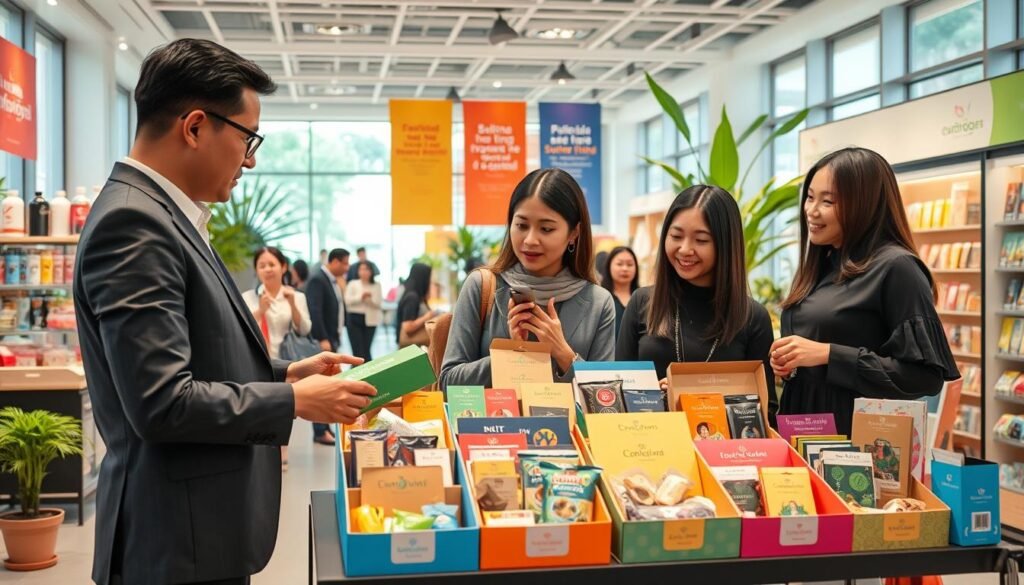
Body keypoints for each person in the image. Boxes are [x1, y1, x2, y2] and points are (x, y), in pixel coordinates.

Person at [73, 39, 376, 585]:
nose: (250, 159)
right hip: (174, 542)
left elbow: (199, 355)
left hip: (194, 533)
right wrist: (294, 401)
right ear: (195, 127)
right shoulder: (134, 225)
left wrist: (286, 373)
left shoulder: (167, 216)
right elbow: (161, 402)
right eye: (247, 138)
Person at [771, 147, 958, 436]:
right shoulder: (823, 262)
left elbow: (924, 377)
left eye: (828, 201)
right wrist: (789, 363)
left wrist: (829, 354)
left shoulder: (897, 268)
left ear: (865, 204)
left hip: (856, 442)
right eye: (809, 197)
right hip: (804, 429)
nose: (812, 210)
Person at [440, 168, 615, 389]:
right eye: (522, 225)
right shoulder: (482, 286)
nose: (530, 240)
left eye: (546, 229)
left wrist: (563, 353)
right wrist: (511, 354)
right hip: (492, 413)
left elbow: (605, 397)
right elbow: (449, 381)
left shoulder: (599, 302)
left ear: (574, 233)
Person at [615, 185, 776, 422]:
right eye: (676, 236)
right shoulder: (642, 303)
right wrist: (652, 399)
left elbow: (766, 412)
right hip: (648, 439)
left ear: (725, 244)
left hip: (720, 444)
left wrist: (701, 403)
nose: (685, 249)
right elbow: (617, 393)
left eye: (701, 240)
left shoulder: (752, 317)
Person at [305, 247, 350, 445]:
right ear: (335, 262)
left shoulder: (333, 280)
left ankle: (325, 426)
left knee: (329, 383)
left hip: (333, 338)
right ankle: (320, 430)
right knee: (321, 386)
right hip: (324, 341)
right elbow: (315, 311)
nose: (347, 267)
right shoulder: (318, 279)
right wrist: (323, 337)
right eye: (345, 263)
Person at [243, 246, 312, 358]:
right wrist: (260, 311)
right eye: (262, 266)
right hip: (257, 360)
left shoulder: (297, 296)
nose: (267, 269)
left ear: (283, 267)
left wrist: (293, 305)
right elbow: (241, 330)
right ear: (256, 270)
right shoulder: (247, 297)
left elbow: (304, 331)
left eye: (272, 265)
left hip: (289, 360)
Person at [345, 261, 383, 360]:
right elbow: (347, 301)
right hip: (354, 318)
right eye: (361, 269)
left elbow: (378, 303)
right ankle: (357, 368)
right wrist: (360, 297)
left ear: (371, 271)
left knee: (366, 350)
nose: (364, 272)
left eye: (366, 269)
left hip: (371, 320)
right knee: (358, 351)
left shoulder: (376, 285)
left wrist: (368, 299)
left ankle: (368, 368)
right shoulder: (352, 284)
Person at [601, 246, 639, 337]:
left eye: (630, 264)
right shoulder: (601, 299)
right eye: (619, 264)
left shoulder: (643, 299)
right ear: (609, 266)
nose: (625, 269)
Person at [397, 263, 437, 348]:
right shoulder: (412, 297)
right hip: (411, 349)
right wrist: (427, 317)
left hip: (415, 347)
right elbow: (407, 327)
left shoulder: (417, 296)